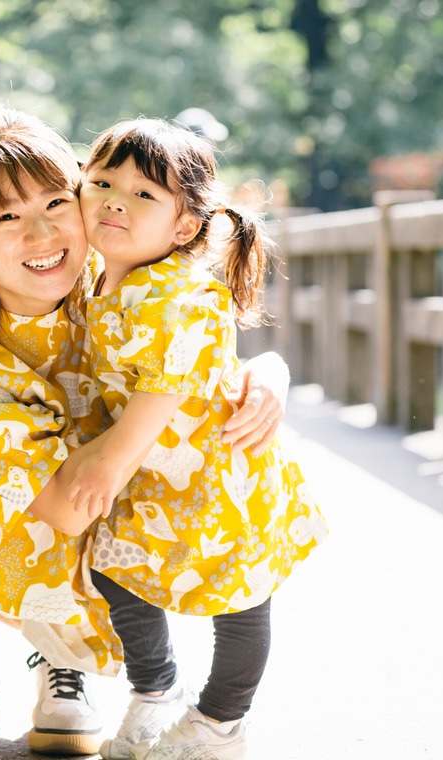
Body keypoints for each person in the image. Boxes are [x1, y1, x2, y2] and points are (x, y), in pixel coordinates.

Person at [0, 109, 291, 756]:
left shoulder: (103, 272)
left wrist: (264, 374)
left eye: (58, 201)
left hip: (80, 469)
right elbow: (58, 501)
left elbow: (185, 341)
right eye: (6, 218)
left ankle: (63, 659)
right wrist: (110, 462)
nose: (43, 233)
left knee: (100, 492)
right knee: (69, 502)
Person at [65, 118, 328, 760]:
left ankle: (220, 722)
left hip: (215, 477)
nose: (115, 201)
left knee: (237, 602)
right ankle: (156, 691)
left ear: (185, 227)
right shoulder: (94, 280)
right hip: (146, 474)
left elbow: (170, 381)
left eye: (144, 195)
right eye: (101, 182)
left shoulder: (183, 293)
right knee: (115, 572)